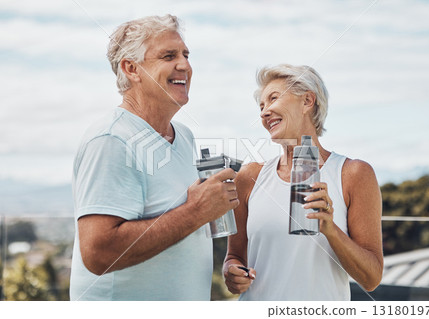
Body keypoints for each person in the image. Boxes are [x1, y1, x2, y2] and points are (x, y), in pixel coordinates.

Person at [70, 15, 238, 301]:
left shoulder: (183, 136)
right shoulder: (111, 139)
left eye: (186, 55)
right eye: (168, 56)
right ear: (132, 69)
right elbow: (98, 253)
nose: (184, 65)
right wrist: (197, 211)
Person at [223, 64, 383, 300]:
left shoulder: (353, 174)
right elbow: (233, 256)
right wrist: (232, 273)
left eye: (273, 99)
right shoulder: (249, 177)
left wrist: (330, 229)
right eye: (261, 106)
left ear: (308, 101)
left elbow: (371, 279)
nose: (264, 112)